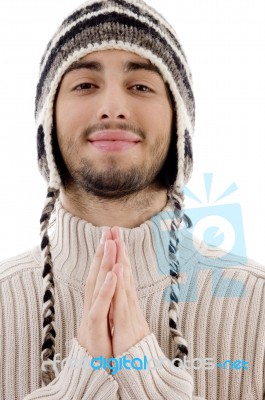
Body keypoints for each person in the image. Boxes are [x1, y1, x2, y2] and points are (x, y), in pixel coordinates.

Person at [0, 0, 264, 399]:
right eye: (85, 85)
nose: (113, 109)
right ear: (47, 123)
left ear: (180, 126)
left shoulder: (257, 310)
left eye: (141, 86)